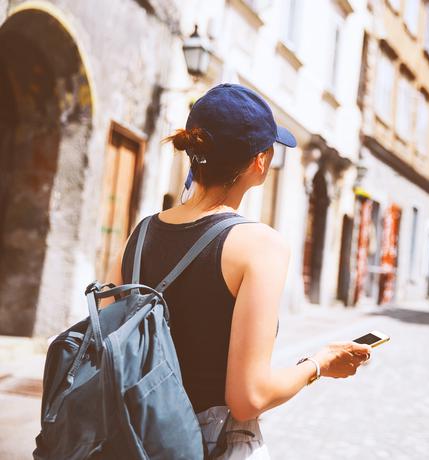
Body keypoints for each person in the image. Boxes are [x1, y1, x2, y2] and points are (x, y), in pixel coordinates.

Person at [103, 84, 372, 459]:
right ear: (259, 162)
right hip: (205, 446)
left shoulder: (140, 233)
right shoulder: (260, 245)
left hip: (128, 439)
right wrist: (320, 363)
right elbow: (249, 398)